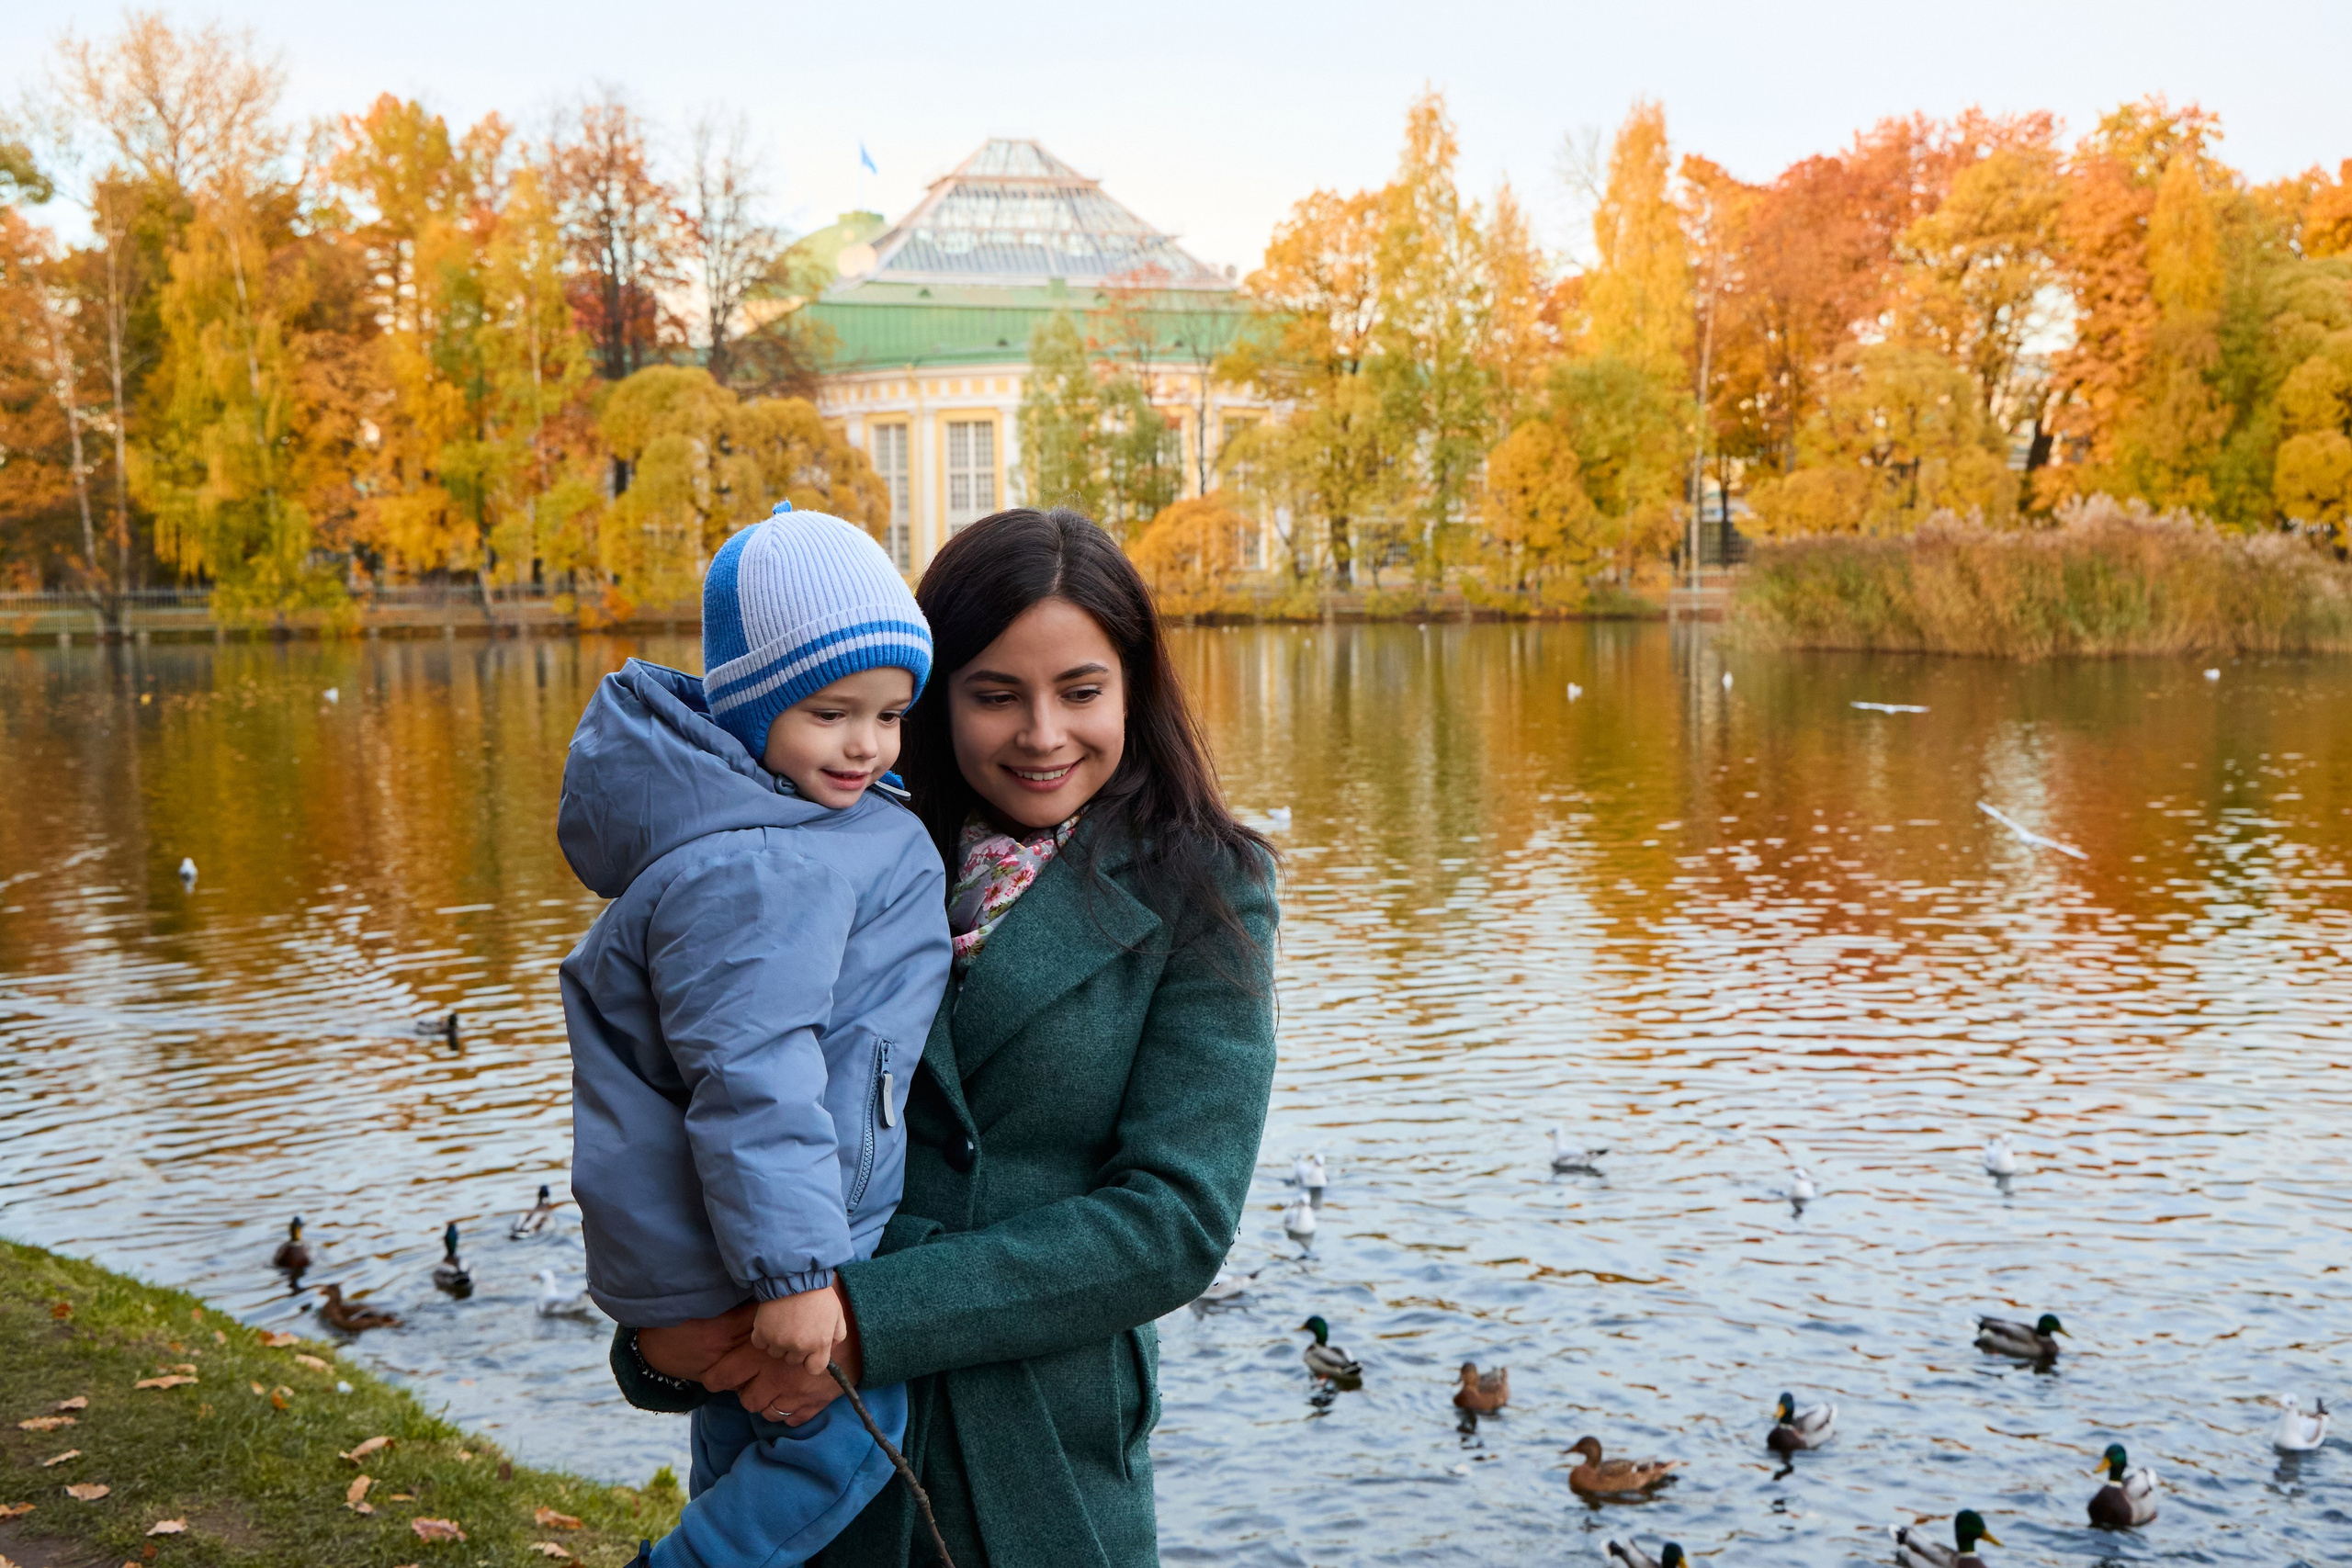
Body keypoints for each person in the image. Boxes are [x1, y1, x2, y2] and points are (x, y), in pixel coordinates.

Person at [613, 506, 1280, 1568]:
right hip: (803, 1438)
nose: (1043, 734)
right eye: (995, 695)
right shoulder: (805, 847)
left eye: (1081, 691)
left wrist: (864, 1316)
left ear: (1133, 690)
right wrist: (661, 1333)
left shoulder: (1206, 888)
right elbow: (676, 1098)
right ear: (932, 699)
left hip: (1039, 1456)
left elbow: (1174, 1221)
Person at [559, 502, 953, 1568]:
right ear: (750, 710)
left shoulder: (788, 826)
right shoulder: (761, 866)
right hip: (757, 1250)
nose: (867, 744)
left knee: (746, 1439)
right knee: (837, 1444)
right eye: (832, 714)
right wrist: (795, 1275)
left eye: (889, 713)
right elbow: (754, 1073)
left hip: (726, 1241)